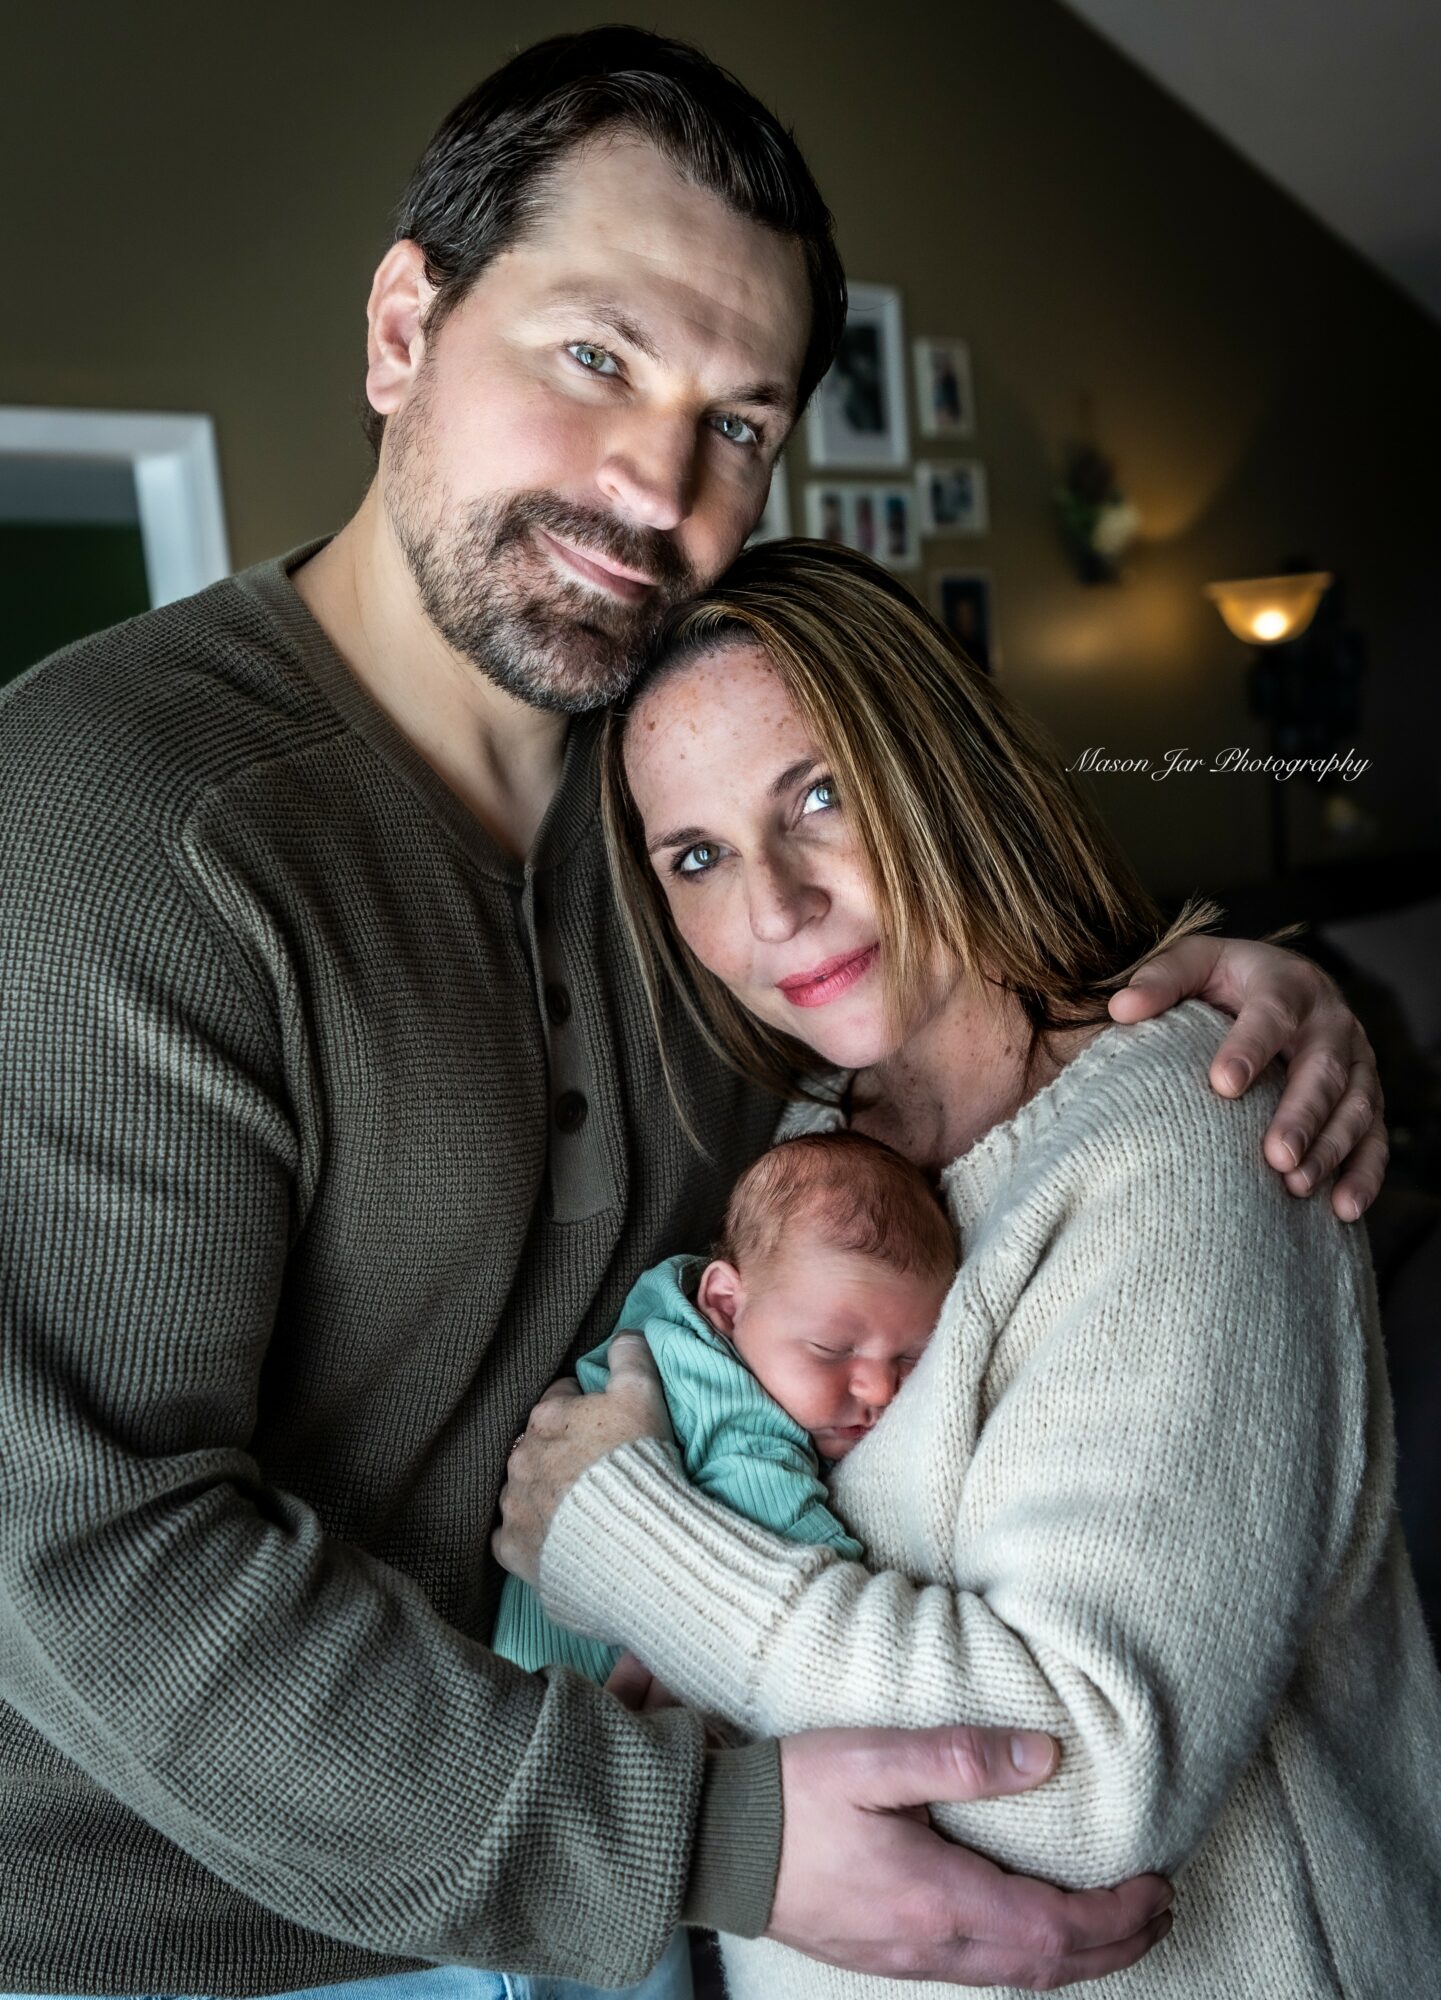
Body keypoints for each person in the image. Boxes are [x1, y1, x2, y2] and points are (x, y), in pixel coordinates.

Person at [0, 25, 1387, 1999]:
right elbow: (86, 1543)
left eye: (737, 421)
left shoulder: (666, 816)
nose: (656, 481)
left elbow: (962, 1054)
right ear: (401, 329)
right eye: (595, 355)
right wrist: (703, 1836)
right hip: (224, 1941)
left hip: (648, 1884)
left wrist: (1259, 984)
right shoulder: (108, 817)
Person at [495, 538, 1441, 1997]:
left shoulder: (1184, 1138)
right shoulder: (803, 1140)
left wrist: (624, 1537)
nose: (773, 907)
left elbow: (1084, 1787)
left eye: (816, 796)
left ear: (936, 769)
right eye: (697, 856)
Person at [495, 1129, 955, 1685]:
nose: (881, 1390)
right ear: (726, 1303)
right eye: (832, 1348)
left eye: (910, 1357)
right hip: (582, 1675)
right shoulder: (723, 1395)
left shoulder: (683, 1307)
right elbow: (801, 1564)